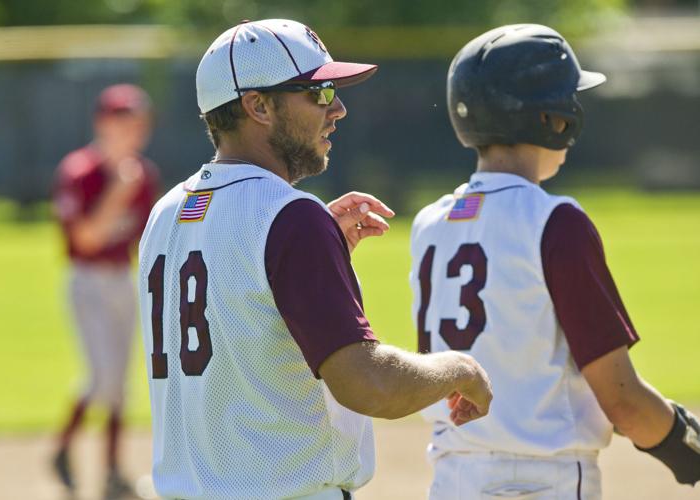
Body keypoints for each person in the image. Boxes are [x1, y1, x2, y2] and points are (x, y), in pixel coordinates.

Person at [137, 19, 492, 500]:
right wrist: (460, 368)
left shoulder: (168, 211)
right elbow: (369, 385)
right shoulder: (290, 218)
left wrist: (314, 256)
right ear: (257, 106)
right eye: (319, 92)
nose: (339, 108)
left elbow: (241, 320)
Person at [410, 24, 700, 499]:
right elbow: (622, 400)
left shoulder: (430, 222)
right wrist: (683, 444)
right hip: (545, 482)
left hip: (453, 480)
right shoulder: (555, 221)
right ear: (554, 119)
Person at [52, 83, 160, 499]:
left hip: (121, 280)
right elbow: (86, 239)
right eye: (121, 120)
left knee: (120, 384)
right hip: (87, 281)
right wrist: (120, 190)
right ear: (102, 123)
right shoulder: (80, 171)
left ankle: (113, 472)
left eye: (137, 121)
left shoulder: (143, 174)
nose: (131, 129)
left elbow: (145, 241)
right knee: (101, 381)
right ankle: (63, 448)